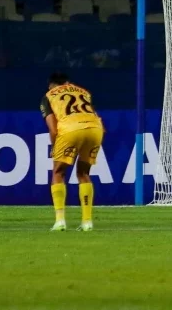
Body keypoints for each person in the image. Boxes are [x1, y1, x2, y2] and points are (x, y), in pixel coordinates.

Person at [40, 72, 104, 232]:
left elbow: (53, 129)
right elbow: (97, 118)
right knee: (83, 173)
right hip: (95, 129)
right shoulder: (83, 92)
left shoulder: (49, 95)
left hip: (69, 130)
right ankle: (87, 222)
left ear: (51, 85)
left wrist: (56, 147)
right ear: (68, 83)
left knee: (58, 172)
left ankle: (60, 221)